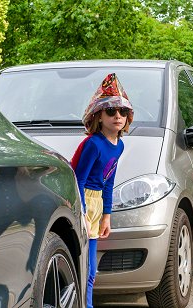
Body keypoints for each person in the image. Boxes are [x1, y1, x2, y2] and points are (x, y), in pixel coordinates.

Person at [71, 73, 133, 308]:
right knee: (85, 265)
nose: (118, 116)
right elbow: (79, 178)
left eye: (123, 112)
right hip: (83, 200)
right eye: (111, 111)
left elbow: (109, 181)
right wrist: (84, 214)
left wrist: (107, 215)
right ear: (98, 115)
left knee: (92, 270)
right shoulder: (93, 144)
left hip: (97, 205)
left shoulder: (119, 145)